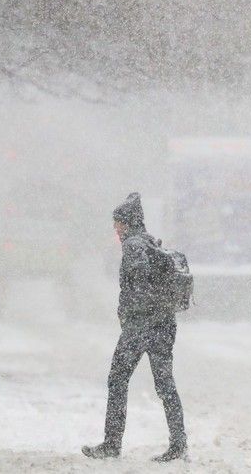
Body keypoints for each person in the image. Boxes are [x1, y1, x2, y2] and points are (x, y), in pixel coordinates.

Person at [82, 192, 187, 462]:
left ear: (127, 223)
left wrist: (130, 315)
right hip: (164, 323)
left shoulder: (133, 247)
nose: (115, 228)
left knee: (117, 379)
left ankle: (112, 443)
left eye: (118, 223)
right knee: (165, 384)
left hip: (142, 326)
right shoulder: (151, 242)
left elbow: (138, 285)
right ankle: (178, 444)